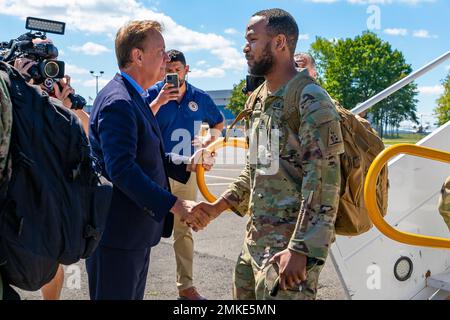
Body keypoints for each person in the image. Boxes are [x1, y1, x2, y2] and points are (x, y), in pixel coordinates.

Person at [193, 8, 344, 300]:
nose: (245, 46)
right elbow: (255, 169)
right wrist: (216, 208)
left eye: (252, 39)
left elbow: (324, 183)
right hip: (254, 246)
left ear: (279, 43)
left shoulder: (311, 99)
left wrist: (300, 248)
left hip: (289, 254)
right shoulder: (258, 98)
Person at [86, 20, 213, 300]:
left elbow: (147, 154)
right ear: (137, 56)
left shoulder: (135, 97)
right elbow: (121, 169)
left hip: (133, 234)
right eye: (162, 51)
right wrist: (175, 204)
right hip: (118, 236)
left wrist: (187, 162)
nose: (167, 59)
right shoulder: (118, 101)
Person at [11, 39, 88, 301]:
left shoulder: (55, 90)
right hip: (13, 184)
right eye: (36, 61)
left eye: (48, 62)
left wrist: (68, 108)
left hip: (49, 189)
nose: (43, 69)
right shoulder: (10, 85)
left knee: (52, 256)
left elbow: (86, 136)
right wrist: (18, 83)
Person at [147, 50, 224, 300]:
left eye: (177, 69)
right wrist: (158, 101)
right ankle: (134, 284)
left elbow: (218, 126)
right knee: (143, 225)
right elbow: (138, 121)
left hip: (186, 171)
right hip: (154, 170)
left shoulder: (200, 97)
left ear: (186, 69)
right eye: (168, 69)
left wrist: (206, 141)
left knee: (185, 227)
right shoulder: (151, 93)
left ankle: (186, 287)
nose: (173, 74)